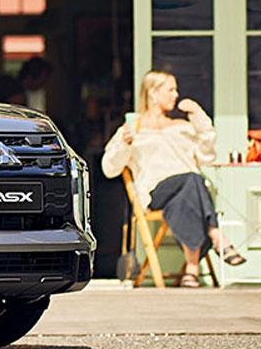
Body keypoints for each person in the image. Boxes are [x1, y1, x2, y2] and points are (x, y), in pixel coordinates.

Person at [101, 70, 245, 287]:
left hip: (185, 194)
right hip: (155, 192)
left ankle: (191, 270)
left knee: (186, 195)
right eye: (170, 90)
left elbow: (207, 157)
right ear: (153, 93)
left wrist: (198, 115)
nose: (176, 95)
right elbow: (109, 169)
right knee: (193, 180)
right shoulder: (133, 128)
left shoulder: (182, 127)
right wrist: (125, 144)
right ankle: (216, 235)